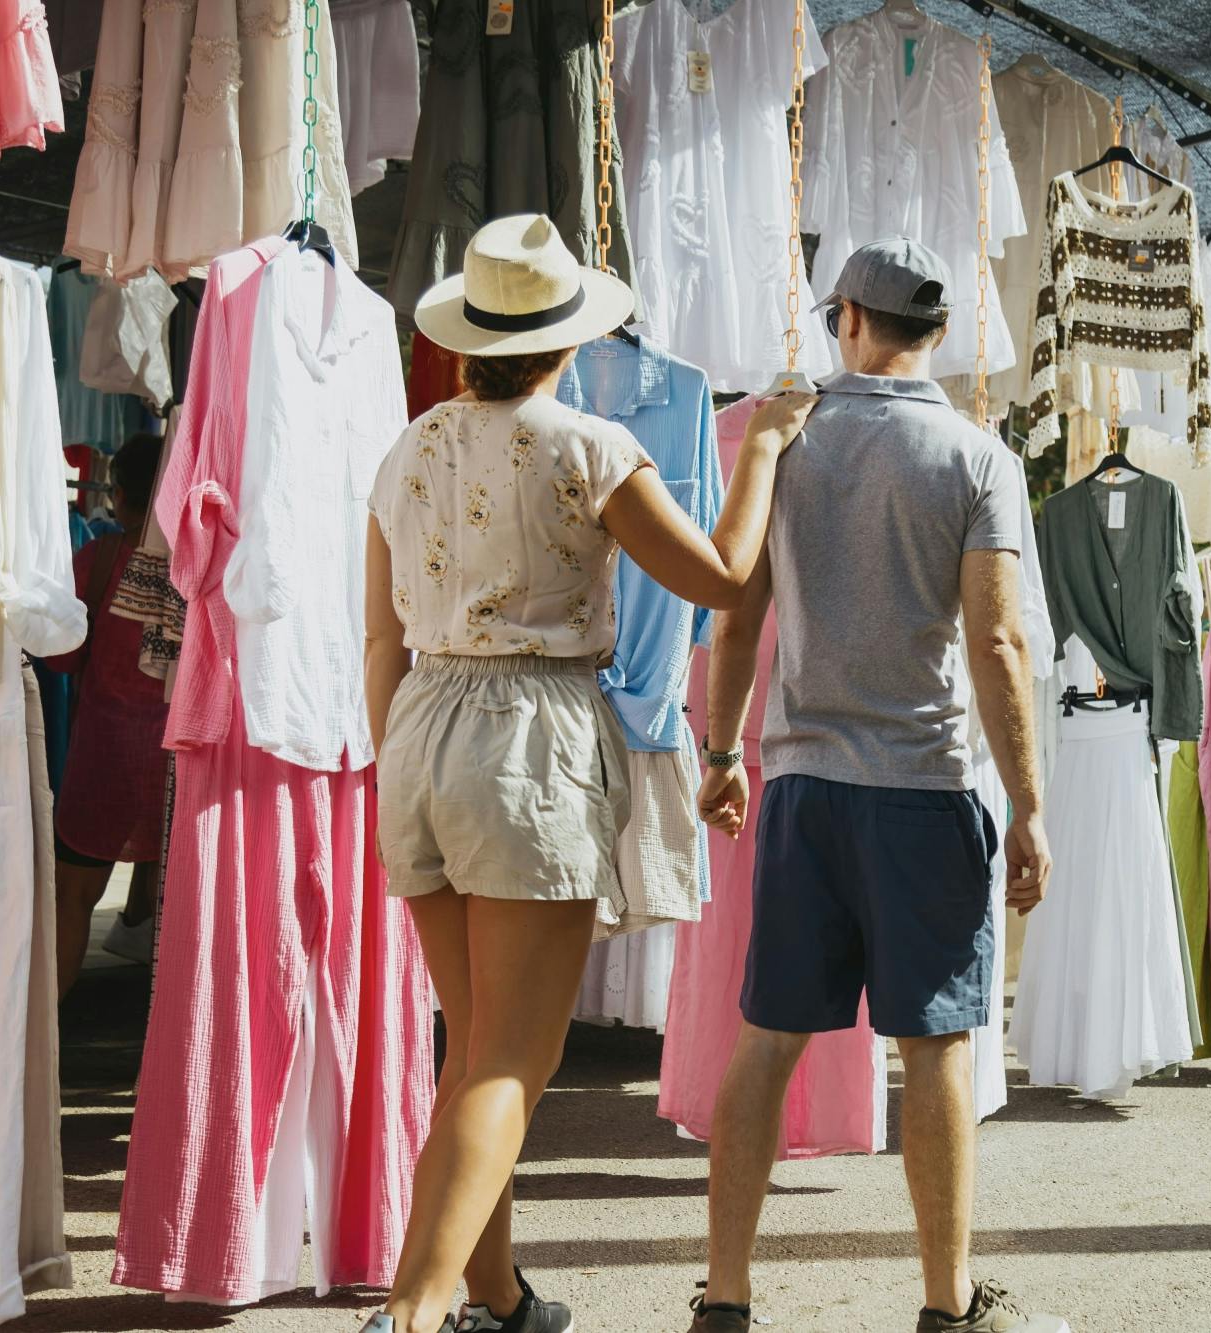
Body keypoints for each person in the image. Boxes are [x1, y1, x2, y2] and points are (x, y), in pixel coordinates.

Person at [358, 214, 813, 1333]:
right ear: (567, 339)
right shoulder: (589, 446)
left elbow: (378, 640)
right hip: (528, 734)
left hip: (417, 727)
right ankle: (407, 1313)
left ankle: (495, 1297)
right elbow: (718, 575)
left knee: (474, 1054)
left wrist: (400, 758)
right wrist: (755, 449)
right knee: (511, 1060)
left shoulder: (407, 445)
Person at [689, 239, 1062, 1333]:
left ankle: (724, 1299)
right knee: (935, 1045)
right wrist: (1029, 804)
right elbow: (995, 642)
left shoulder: (785, 442)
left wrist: (722, 752)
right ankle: (946, 1309)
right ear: (936, 332)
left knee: (766, 1039)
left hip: (805, 783)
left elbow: (738, 611)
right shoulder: (974, 456)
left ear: (847, 316)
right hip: (924, 786)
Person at [48, 432, 170, 997]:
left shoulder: (98, 561)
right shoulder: (202, 569)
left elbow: (65, 657)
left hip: (102, 766)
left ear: (118, 496)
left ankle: (43, 1040)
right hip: (177, 766)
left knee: (71, 900)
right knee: (181, 919)